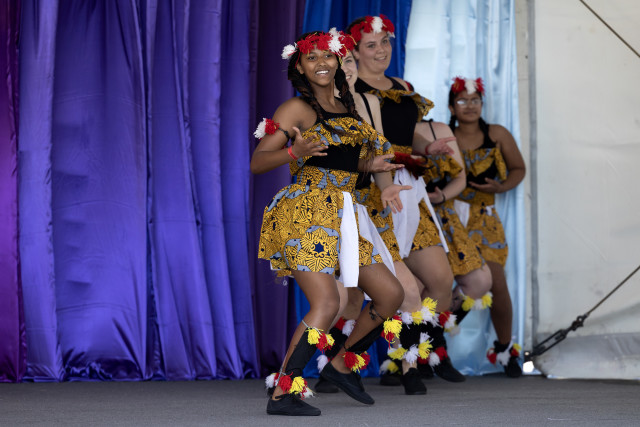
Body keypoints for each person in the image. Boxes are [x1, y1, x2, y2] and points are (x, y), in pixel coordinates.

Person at [251, 30, 405, 417]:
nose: (321, 63)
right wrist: (293, 151)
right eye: (312, 57)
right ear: (300, 67)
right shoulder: (295, 108)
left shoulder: (344, 106)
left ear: (338, 61)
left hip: (344, 213)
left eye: (328, 56)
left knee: (390, 295)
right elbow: (258, 162)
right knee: (327, 302)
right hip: (307, 211)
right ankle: (282, 393)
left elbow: (337, 160)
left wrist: (371, 166)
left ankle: (339, 364)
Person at [347, 15, 464, 382]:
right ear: (355, 52)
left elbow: (407, 133)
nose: (381, 50)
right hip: (373, 186)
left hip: (408, 185)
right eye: (371, 45)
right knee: (390, 286)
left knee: (441, 279)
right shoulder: (351, 89)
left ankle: (428, 351)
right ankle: (392, 360)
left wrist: (428, 147)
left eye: (385, 42)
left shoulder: (402, 86)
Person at [447, 76, 526, 377]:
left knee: (496, 282)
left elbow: (518, 168)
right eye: (462, 100)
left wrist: (501, 186)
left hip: (485, 218)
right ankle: (431, 343)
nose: (470, 106)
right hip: (451, 217)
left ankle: (505, 350)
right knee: (441, 283)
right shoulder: (445, 136)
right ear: (452, 107)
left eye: (475, 100)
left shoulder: (497, 133)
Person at [414, 120, 494, 334]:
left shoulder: (438, 129)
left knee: (480, 280)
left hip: (441, 212)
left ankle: (434, 337)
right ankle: (414, 347)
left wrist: (441, 196)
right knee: (420, 286)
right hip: (409, 215)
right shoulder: (385, 127)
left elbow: (460, 178)